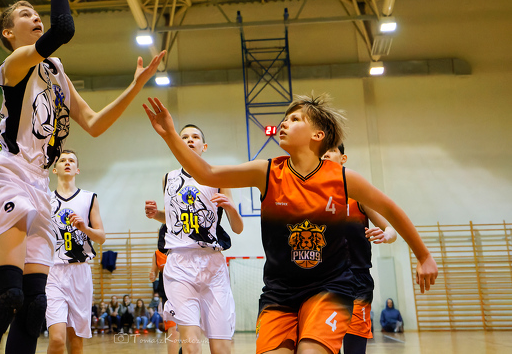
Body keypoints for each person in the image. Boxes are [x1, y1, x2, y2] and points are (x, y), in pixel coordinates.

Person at [0, 0, 164, 354]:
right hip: (9, 175)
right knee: (7, 297)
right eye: (25, 14)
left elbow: (93, 123)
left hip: (39, 186)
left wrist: (134, 87)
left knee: (34, 306)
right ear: (8, 32)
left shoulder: (55, 71)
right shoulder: (15, 64)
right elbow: (64, 28)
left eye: (36, 11)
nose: (35, 16)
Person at [142, 94, 438, 354]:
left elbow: (391, 210)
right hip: (279, 292)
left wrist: (424, 256)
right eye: (285, 118)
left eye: (295, 119)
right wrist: (170, 135)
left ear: (318, 135)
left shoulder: (343, 178)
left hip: (328, 288)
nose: (284, 123)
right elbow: (206, 173)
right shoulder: (267, 172)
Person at [144, 123, 244, 354]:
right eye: (184, 137)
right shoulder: (168, 178)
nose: (190, 140)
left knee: (221, 348)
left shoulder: (219, 176)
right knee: (190, 346)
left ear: (204, 146)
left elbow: (238, 228)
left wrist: (230, 208)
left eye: (195, 137)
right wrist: (156, 214)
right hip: (179, 262)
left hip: (212, 264)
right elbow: (175, 219)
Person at [322, 145, 397, 354]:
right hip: (325, 280)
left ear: (343, 158)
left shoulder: (358, 195)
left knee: (355, 348)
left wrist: (386, 234)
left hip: (358, 279)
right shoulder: (313, 198)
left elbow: (391, 230)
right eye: (321, 152)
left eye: (331, 150)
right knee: (326, 347)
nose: (325, 154)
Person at [46, 150, 105, 354]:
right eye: (62, 160)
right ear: (54, 169)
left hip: (80, 272)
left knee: (76, 343)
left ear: (77, 170)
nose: (67, 162)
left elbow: (101, 237)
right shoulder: (45, 198)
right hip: (53, 271)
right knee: (57, 340)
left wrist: (85, 229)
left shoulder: (89, 198)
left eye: (71, 160)